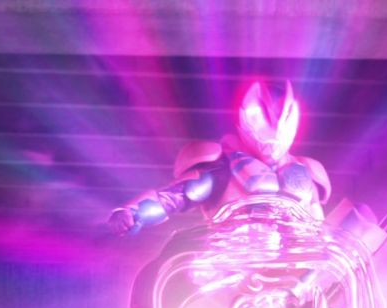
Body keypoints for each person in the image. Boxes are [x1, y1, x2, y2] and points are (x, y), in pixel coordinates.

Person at [107, 79, 331, 235]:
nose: (272, 138)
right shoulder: (223, 167)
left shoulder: (306, 172)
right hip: (230, 269)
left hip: (296, 270)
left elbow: (321, 227)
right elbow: (173, 198)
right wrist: (132, 214)